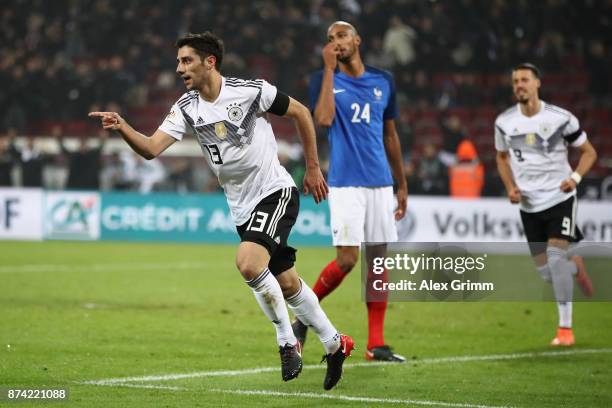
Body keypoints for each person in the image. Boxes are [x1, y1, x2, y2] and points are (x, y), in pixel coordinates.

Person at [89, 32, 353, 390]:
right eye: (179, 61)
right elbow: (151, 148)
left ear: (209, 62)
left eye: (186, 60)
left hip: (275, 191)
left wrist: (312, 166)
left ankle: (286, 340)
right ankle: (336, 344)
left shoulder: (250, 91)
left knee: (248, 262)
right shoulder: (187, 107)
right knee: (287, 283)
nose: (179, 67)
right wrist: (123, 127)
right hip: (241, 206)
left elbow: (301, 113)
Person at [293, 21, 408, 362]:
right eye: (330, 39)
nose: (336, 42)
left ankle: (376, 344)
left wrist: (401, 183)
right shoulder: (323, 80)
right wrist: (329, 71)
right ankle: (303, 317)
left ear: (357, 39)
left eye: (342, 36)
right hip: (345, 182)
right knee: (347, 259)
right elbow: (324, 119)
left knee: (377, 263)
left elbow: (390, 135)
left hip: (380, 182)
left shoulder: (383, 80)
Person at [495, 62, 597, 346]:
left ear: (537, 83)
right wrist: (510, 187)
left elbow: (589, 153)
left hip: (559, 197)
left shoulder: (561, 119)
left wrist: (575, 178)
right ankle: (575, 267)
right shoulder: (504, 122)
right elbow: (501, 157)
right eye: (515, 81)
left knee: (554, 259)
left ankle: (565, 329)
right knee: (547, 273)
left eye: (525, 80)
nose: (519, 85)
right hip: (528, 205)